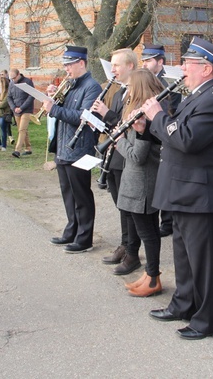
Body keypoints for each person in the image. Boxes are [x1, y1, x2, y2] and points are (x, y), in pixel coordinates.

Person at [143, 37, 213, 340]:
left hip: (201, 194)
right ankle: (183, 305)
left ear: (206, 68)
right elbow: (174, 135)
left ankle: (206, 321)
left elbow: (187, 140)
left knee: (205, 262)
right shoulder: (197, 94)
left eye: (188, 63)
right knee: (183, 256)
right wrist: (151, 126)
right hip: (184, 190)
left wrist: (157, 116)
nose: (182, 68)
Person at [45, 46, 102, 253]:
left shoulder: (92, 87)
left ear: (81, 63)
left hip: (79, 149)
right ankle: (71, 231)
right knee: (68, 194)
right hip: (62, 147)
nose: (66, 69)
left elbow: (82, 117)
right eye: (65, 65)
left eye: (69, 65)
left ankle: (85, 238)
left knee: (81, 195)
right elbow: (62, 112)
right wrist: (53, 99)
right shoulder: (69, 85)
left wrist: (55, 109)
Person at [114, 69, 166, 296]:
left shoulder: (144, 115)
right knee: (150, 231)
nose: (128, 90)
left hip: (142, 184)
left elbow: (137, 156)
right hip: (139, 181)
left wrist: (119, 141)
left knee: (148, 233)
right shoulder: (146, 110)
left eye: (131, 86)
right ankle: (149, 274)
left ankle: (153, 278)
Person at [92, 48, 139, 274]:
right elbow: (115, 124)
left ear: (130, 66)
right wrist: (97, 120)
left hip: (127, 155)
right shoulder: (120, 92)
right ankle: (125, 244)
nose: (112, 70)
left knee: (128, 206)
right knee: (120, 204)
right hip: (114, 154)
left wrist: (106, 113)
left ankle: (132, 252)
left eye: (116, 65)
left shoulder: (138, 91)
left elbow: (126, 123)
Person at [140, 44, 181, 236]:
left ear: (160, 61)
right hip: (150, 131)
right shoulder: (146, 80)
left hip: (164, 131)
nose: (145, 64)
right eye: (144, 60)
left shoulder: (169, 81)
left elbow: (172, 110)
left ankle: (167, 221)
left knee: (166, 179)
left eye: (148, 60)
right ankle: (162, 219)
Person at [7, 68, 35, 158]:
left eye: (14, 78)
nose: (13, 80)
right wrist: (14, 108)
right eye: (11, 78)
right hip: (16, 110)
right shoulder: (11, 84)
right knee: (22, 129)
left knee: (22, 129)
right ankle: (28, 148)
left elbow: (31, 96)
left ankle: (17, 150)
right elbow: (9, 97)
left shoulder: (27, 82)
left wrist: (22, 108)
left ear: (18, 74)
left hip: (26, 110)